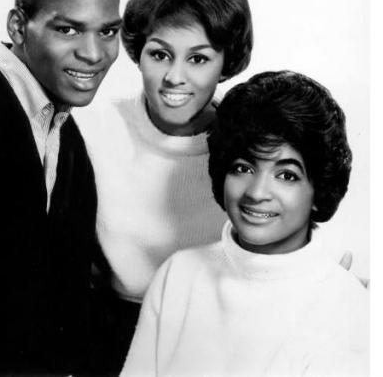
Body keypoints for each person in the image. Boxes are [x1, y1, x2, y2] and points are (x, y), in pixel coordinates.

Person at [121, 70, 369, 376]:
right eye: (243, 167)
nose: (257, 192)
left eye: (287, 175)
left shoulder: (348, 306)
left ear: (319, 190)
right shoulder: (179, 274)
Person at [73, 0, 253, 373]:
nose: (175, 77)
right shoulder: (92, 129)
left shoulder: (248, 148)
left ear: (226, 62)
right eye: (160, 54)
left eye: (198, 59)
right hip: (108, 341)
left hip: (219, 347)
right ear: (138, 53)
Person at [0, 0, 121, 377]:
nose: (93, 53)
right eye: (68, 29)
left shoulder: (67, 134)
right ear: (18, 27)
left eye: (108, 31)